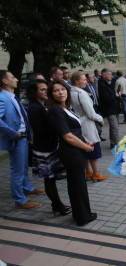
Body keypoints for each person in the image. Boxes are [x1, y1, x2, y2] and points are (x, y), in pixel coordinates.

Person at [47, 81, 97, 226]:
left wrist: (85, 142)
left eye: (63, 89)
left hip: (75, 150)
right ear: (51, 94)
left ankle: (80, 214)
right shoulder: (55, 110)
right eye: (56, 91)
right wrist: (86, 147)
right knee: (78, 185)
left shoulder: (64, 108)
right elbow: (67, 136)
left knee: (76, 184)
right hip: (71, 152)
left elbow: (74, 131)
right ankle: (83, 217)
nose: (61, 92)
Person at [0, 70, 44, 209]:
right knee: (17, 170)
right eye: (12, 77)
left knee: (24, 166)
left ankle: (27, 188)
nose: (16, 79)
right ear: (4, 81)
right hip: (16, 138)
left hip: (23, 137)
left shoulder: (12, 96)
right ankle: (20, 200)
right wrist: (13, 133)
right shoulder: (2, 97)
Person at [27, 79, 71, 215]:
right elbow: (41, 130)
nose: (46, 92)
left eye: (46, 89)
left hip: (48, 147)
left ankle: (57, 205)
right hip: (43, 150)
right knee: (49, 179)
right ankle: (57, 206)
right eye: (42, 90)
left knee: (51, 179)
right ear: (35, 92)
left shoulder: (42, 105)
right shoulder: (35, 108)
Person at [70, 71, 107, 182]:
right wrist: (100, 119)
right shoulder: (81, 93)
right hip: (87, 123)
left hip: (78, 122)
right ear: (77, 81)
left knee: (84, 148)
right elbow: (90, 114)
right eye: (84, 79)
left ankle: (88, 172)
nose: (86, 81)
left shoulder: (71, 91)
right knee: (93, 149)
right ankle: (95, 173)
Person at [97, 68, 119, 149]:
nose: (111, 76)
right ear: (104, 75)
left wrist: (117, 95)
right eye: (109, 74)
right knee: (114, 127)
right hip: (108, 109)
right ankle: (116, 144)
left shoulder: (110, 82)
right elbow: (106, 97)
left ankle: (113, 143)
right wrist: (116, 95)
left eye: (111, 74)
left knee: (114, 127)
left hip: (114, 108)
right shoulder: (101, 83)